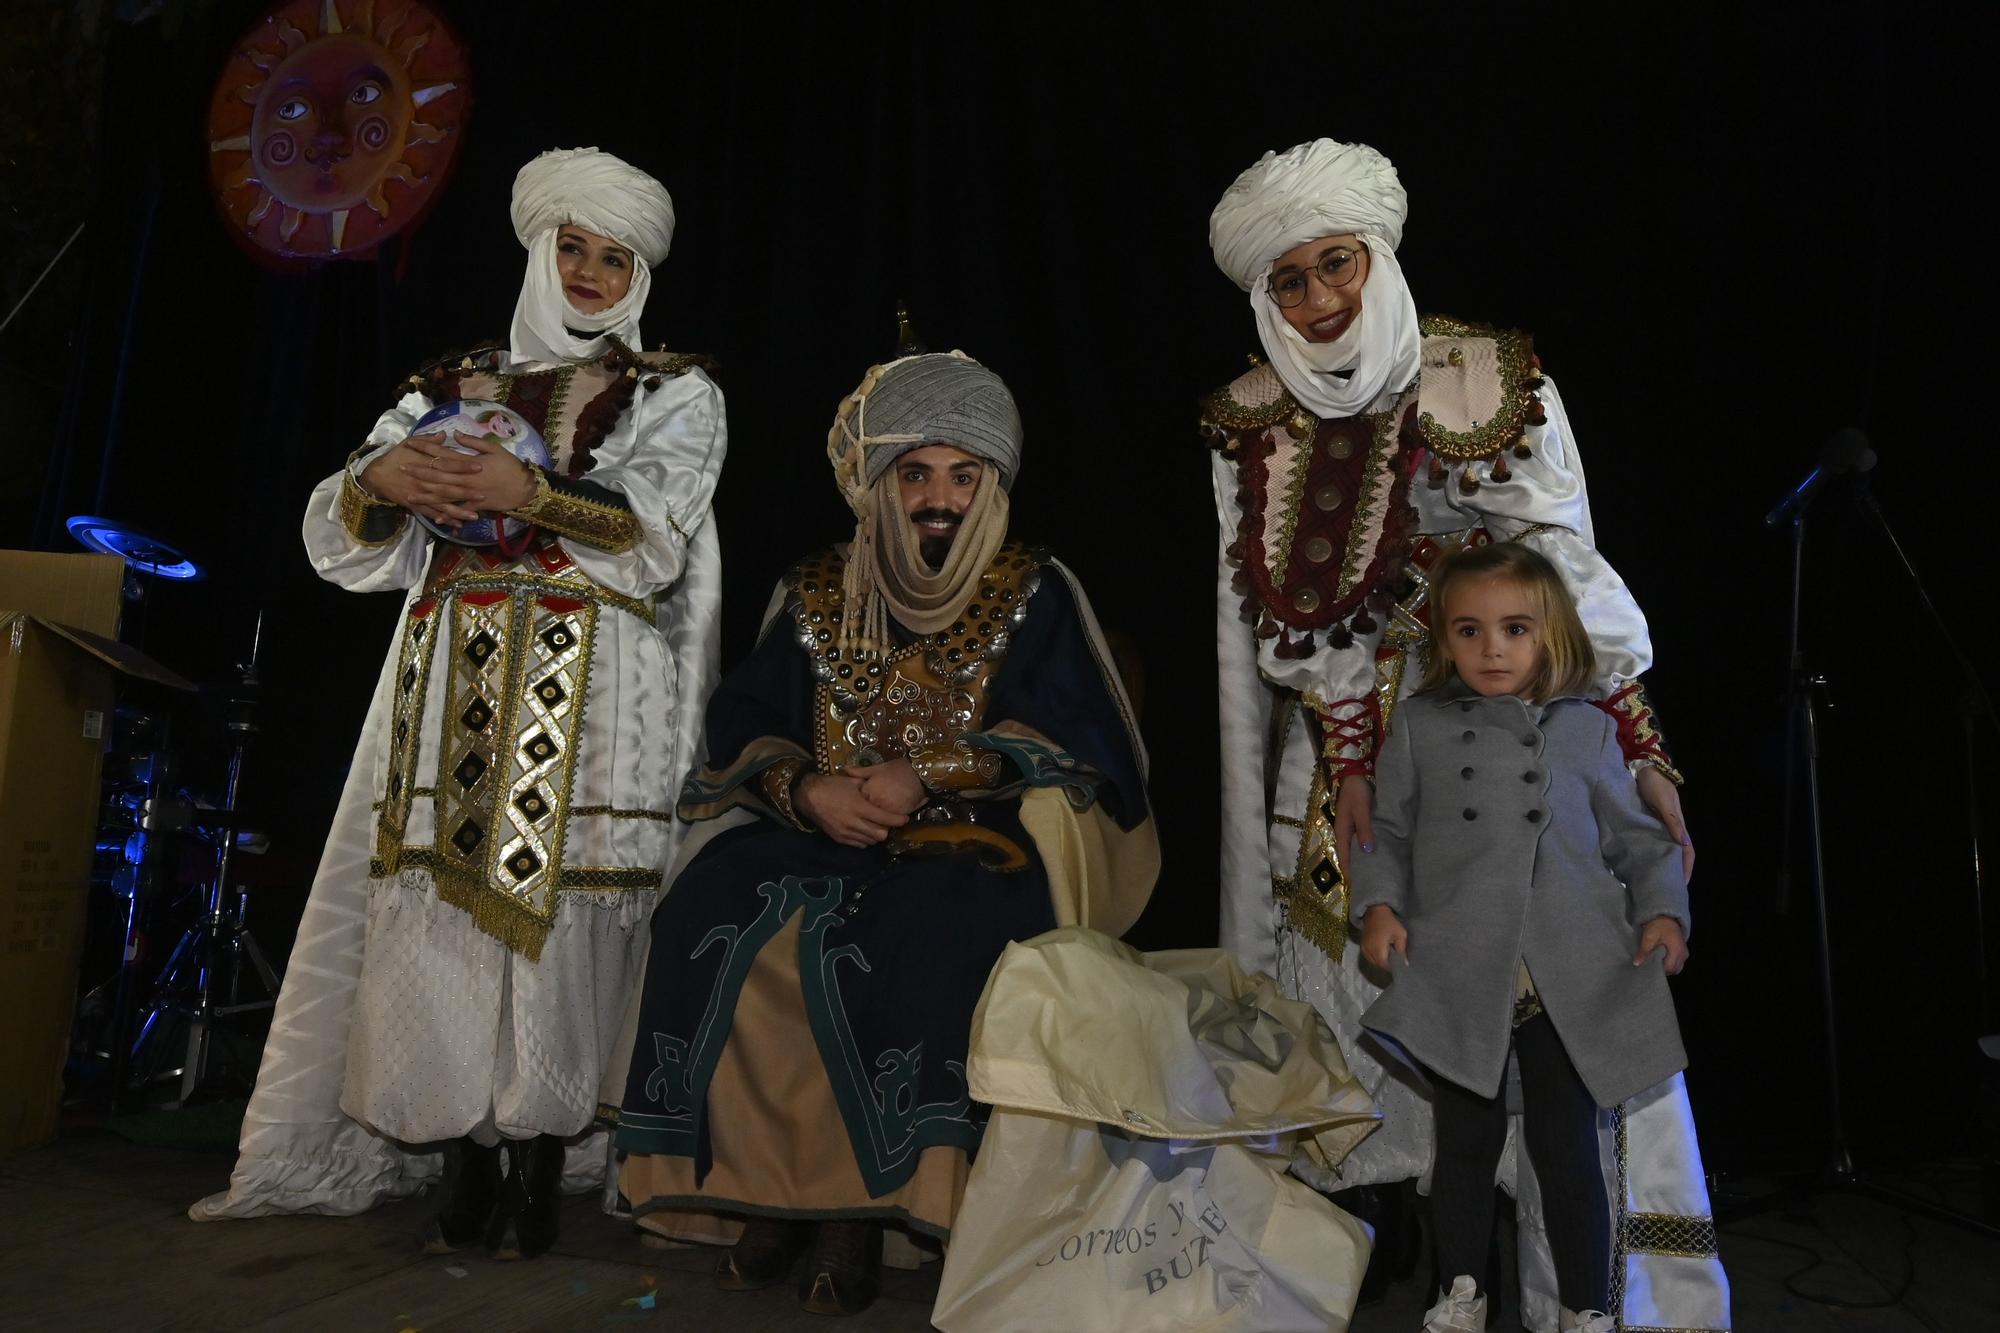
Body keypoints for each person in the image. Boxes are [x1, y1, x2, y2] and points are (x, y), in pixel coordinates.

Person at [1203, 137, 1727, 1331]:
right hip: (1358, 768)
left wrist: (1636, 745)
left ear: (1375, 255)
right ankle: (1386, 1265)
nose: (1319, 299)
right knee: (1360, 992)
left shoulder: (1479, 375)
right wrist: (1343, 766)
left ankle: (1581, 1294)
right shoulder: (1252, 419)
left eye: (1335, 264)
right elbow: (1278, 636)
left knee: (1552, 1018)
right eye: (1287, 282)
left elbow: (1566, 575)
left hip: (1530, 755)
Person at [190, 147, 728, 1263]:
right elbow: (350, 537)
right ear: (538, 252)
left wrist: (528, 494)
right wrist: (376, 484)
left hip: (589, 691)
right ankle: (464, 1156)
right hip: (455, 678)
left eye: (608, 256)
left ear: (636, 273)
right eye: (568, 248)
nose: (585, 271)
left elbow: (655, 534)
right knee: (446, 912)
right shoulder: (450, 384)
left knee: (554, 922)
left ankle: (538, 1157)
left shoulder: (676, 390)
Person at [613, 351, 1156, 1317]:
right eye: (914, 473)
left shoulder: (1035, 589)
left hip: (974, 847)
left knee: (910, 934)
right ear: (878, 482)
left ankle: (860, 1213)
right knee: (715, 905)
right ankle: (765, 1189)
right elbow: (745, 719)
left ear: (993, 482)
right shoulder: (816, 587)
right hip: (816, 830)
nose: (937, 498)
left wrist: (931, 772)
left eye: (962, 474)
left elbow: (1087, 741)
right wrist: (806, 787)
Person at [1353, 543, 1689, 1332]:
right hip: (1463, 966)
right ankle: (1461, 1289)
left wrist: (1663, 911)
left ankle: (1587, 1307)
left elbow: (1642, 841)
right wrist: (1379, 906)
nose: (1491, 648)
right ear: (1442, 637)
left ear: (1552, 636)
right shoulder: (1419, 726)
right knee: (1462, 1143)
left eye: (1513, 628)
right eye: (1468, 630)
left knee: (1567, 1145)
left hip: (1565, 971)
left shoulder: (1589, 732)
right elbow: (1387, 833)